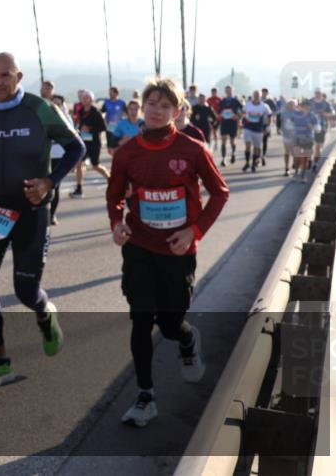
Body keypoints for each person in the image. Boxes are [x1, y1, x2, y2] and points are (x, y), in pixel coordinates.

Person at [107, 78, 229, 427]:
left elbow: (219, 193)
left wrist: (194, 230)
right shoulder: (128, 152)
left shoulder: (192, 149)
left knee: (171, 324)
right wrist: (117, 224)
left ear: (177, 112)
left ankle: (188, 339)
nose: (157, 111)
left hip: (178, 250)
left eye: (165, 106)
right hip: (140, 247)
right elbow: (114, 196)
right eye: (151, 104)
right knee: (141, 319)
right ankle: (145, 396)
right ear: (141, 107)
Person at [0, 53, 85, 388]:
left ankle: (45, 314)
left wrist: (49, 181)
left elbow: (76, 148)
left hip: (32, 212)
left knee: (25, 290)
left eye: (5, 75)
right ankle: (0, 360)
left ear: (19, 77)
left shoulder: (40, 109)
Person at [69, 90, 111, 197]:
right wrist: (79, 130)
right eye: (83, 98)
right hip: (84, 142)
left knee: (95, 165)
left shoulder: (96, 112)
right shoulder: (81, 111)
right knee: (79, 164)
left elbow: (103, 127)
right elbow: (79, 124)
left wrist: (90, 129)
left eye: (87, 98)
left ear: (91, 100)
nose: (84, 100)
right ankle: (79, 188)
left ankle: (109, 178)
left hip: (94, 143)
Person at [48, 93, 76, 226]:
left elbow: (75, 144)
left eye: (58, 103)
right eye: (53, 103)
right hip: (45, 157)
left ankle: (52, 214)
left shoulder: (66, 119)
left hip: (59, 156)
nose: (55, 106)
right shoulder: (43, 117)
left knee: (54, 186)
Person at [241, 90, 272, 172]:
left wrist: (268, 127)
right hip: (248, 127)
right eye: (255, 95)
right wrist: (243, 119)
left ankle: (253, 164)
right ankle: (247, 162)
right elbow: (243, 113)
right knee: (247, 145)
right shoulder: (248, 105)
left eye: (258, 95)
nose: (256, 97)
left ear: (260, 96)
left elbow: (269, 116)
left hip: (258, 129)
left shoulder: (264, 106)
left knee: (256, 147)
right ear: (253, 96)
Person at [217, 85, 243, 166]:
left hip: (232, 123)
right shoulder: (222, 101)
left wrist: (238, 117)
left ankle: (233, 154)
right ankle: (223, 159)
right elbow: (219, 112)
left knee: (232, 141)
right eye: (227, 90)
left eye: (230, 90)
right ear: (225, 91)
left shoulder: (236, 101)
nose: (228, 92)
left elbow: (242, 111)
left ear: (232, 91)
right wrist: (220, 115)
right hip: (224, 123)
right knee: (223, 140)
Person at [310, 90, 334, 170]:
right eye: (316, 94)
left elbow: (332, 113)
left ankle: (315, 163)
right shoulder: (310, 102)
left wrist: (325, 114)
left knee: (318, 146)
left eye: (319, 94)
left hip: (322, 127)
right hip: (309, 128)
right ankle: (309, 159)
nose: (317, 96)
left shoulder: (326, 104)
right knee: (309, 146)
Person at [102, 86, 127, 154]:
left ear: (116, 93)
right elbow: (102, 113)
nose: (109, 94)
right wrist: (105, 123)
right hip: (110, 127)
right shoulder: (106, 103)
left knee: (119, 144)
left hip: (119, 127)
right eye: (109, 92)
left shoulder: (122, 103)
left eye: (111, 92)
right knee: (110, 147)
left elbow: (127, 114)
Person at [280, 100, 298, 177]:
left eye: (292, 104)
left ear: (295, 105)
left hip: (295, 136)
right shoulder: (284, 113)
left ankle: (295, 165)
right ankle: (286, 168)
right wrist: (279, 128)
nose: (290, 106)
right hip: (286, 135)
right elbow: (281, 122)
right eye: (289, 104)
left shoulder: (298, 113)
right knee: (287, 152)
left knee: (294, 152)